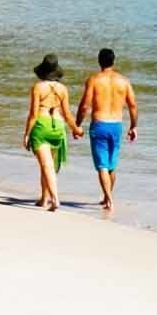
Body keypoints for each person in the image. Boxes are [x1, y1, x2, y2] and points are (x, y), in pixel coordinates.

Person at [79, 47, 140, 216]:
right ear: (114, 61)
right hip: (116, 125)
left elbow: (85, 106)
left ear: (99, 62)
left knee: (102, 166)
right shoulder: (124, 81)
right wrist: (133, 126)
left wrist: (77, 124)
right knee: (112, 165)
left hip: (99, 124)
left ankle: (109, 199)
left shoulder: (94, 80)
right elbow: (133, 105)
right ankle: (108, 196)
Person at [23, 55, 77, 213]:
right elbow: (67, 115)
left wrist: (26, 134)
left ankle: (55, 199)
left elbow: (33, 114)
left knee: (46, 165)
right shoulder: (63, 89)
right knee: (48, 166)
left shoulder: (38, 88)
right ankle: (44, 198)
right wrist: (75, 129)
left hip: (42, 125)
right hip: (58, 126)